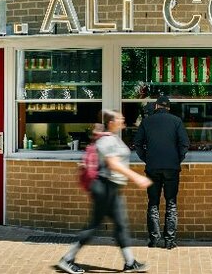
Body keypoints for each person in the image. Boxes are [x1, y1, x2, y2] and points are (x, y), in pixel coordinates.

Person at [57, 109, 152, 274]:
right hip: (104, 187)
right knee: (94, 225)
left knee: (121, 225)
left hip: (112, 188)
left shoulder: (113, 138)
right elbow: (113, 164)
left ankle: (130, 262)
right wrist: (137, 177)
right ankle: (67, 259)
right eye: (118, 118)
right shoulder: (107, 140)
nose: (123, 119)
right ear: (111, 122)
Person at [132, 94, 189, 249]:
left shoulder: (147, 121)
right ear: (168, 108)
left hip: (152, 168)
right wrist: (177, 159)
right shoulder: (177, 121)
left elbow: (137, 144)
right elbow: (184, 144)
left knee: (153, 203)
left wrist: (147, 158)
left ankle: (154, 239)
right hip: (172, 168)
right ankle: (169, 241)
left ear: (156, 106)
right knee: (171, 203)